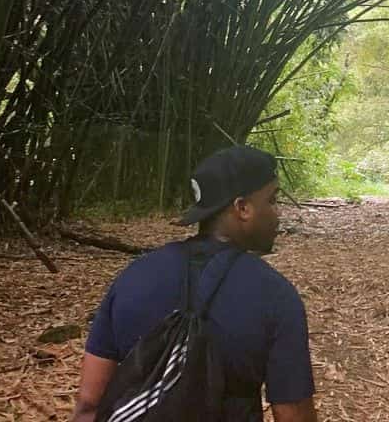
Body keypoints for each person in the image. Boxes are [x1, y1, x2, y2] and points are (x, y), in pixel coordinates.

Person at [70, 146, 317, 422]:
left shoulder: (133, 277)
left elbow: (88, 403)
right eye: (272, 200)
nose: (278, 214)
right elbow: (292, 415)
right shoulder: (275, 295)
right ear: (242, 208)